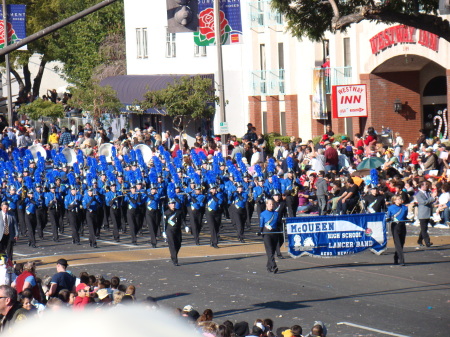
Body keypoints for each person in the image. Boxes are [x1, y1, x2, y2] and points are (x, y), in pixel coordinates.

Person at [259, 199, 279, 274]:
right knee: (269, 251)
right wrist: (260, 232)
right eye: (269, 204)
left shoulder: (276, 214)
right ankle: (274, 266)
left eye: (272, 204)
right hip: (266, 234)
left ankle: (268, 266)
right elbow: (261, 224)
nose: (271, 205)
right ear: (266, 205)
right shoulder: (263, 214)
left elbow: (278, 223)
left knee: (272, 251)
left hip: (274, 233)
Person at [387, 195, 408, 266]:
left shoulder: (405, 208)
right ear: (394, 201)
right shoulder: (390, 208)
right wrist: (388, 219)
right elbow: (389, 216)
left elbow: (405, 217)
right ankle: (402, 260)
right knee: (398, 243)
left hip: (402, 225)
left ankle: (396, 257)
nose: (399, 200)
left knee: (402, 243)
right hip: (395, 226)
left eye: (400, 199)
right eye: (398, 199)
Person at [416, 181, 435, 248]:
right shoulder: (419, 194)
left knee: (424, 228)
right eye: (424, 185)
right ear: (420, 186)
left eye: (426, 185)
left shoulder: (428, 193)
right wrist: (432, 198)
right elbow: (423, 202)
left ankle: (419, 240)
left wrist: (434, 198)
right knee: (424, 229)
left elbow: (431, 201)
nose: (425, 186)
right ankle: (428, 242)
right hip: (422, 214)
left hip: (428, 213)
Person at [164, 199, 183, 266]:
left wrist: (185, 226)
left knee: (178, 243)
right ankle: (175, 260)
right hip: (170, 230)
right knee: (172, 245)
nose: (173, 205)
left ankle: (173, 255)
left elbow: (182, 220)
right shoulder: (166, 213)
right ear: (169, 205)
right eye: (172, 204)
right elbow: (164, 223)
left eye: (174, 203)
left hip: (177, 230)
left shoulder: (178, 212)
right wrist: (164, 231)